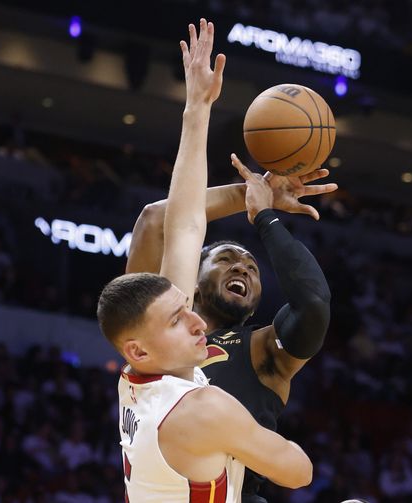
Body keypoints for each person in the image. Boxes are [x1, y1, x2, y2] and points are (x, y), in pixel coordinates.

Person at [97, 19, 312, 503]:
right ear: (138, 350)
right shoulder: (204, 409)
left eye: (184, 308)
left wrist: (198, 107)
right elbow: (299, 472)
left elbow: (184, 223)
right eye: (178, 320)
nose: (196, 320)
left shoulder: (141, 375)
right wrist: (243, 437)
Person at [126, 142, 334, 502]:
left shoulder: (262, 349)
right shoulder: (154, 335)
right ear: (193, 282)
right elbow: (154, 219)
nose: (241, 268)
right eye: (225, 259)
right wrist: (251, 193)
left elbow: (313, 303)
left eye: (252, 269)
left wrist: (265, 216)